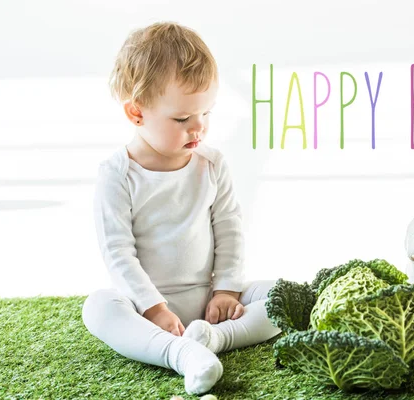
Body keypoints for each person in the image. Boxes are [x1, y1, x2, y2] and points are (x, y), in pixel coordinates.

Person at [81, 21, 281, 395]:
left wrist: (226, 290)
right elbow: (118, 253)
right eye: (182, 119)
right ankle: (179, 353)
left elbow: (230, 228)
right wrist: (153, 307)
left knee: (281, 297)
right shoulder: (117, 175)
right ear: (136, 113)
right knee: (99, 307)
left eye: (206, 114)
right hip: (148, 311)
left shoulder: (211, 164)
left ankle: (213, 340)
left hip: (210, 303)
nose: (199, 128)